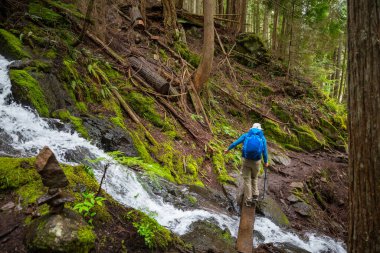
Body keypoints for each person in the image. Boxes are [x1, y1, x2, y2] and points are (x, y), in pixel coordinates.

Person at [225, 123, 269, 206]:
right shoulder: (262, 138)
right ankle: (255, 195)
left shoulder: (246, 135)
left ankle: (248, 200)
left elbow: (235, 143)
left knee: (247, 179)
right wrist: (266, 162)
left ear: (251, 129)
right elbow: (265, 152)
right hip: (257, 161)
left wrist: (228, 149)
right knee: (254, 177)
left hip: (246, 160)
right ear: (260, 130)